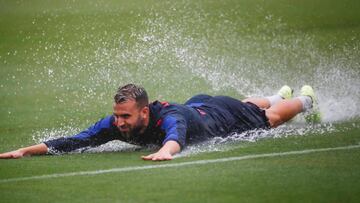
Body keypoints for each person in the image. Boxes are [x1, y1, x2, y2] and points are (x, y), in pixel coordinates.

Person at [0, 84, 321, 161]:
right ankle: (277, 93)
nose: (119, 123)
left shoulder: (170, 118)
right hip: (202, 106)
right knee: (243, 104)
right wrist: (26, 151)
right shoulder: (117, 123)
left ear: (144, 112)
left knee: (269, 118)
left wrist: (166, 152)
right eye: (117, 115)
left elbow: (176, 134)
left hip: (220, 118)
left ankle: (304, 100)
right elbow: (78, 140)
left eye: (125, 116)